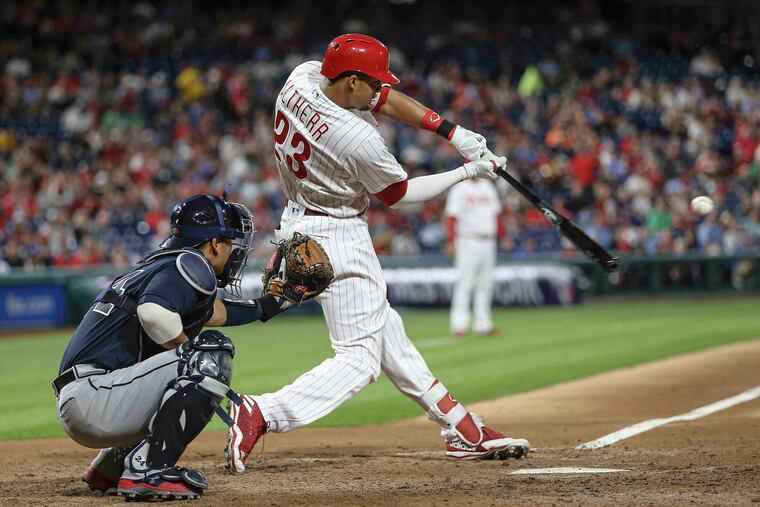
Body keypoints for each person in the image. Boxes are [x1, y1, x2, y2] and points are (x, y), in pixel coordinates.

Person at [226, 33, 530, 474]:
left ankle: (460, 427)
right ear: (351, 81)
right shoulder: (353, 136)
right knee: (359, 359)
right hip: (338, 234)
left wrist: (453, 131)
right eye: (371, 81)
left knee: (386, 331)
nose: (379, 89)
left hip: (299, 220)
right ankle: (262, 411)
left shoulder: (302, 78)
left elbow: (384, 100)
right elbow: (400, 193)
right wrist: (469, 170)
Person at [53, 193, 300, 500]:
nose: (237, 252)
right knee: (209, 354)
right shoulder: (191, 263)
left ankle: (112, 465)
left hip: (89, 395)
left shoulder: (164, 264)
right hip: (96, 398)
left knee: (186, 359)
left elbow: (213, 313)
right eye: (232, 244)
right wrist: (191, 357)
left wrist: (270, 304)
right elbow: (153, 313)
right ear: (214, 244)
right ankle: (147, 470)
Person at [445, 178, 502, 336]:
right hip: (467, 239)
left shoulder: (488, 186)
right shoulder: (459, 188)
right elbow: (451, 217)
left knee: (485, 284)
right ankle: (459, 325)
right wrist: (451, 241)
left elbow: (495, 214)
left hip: (488, 240)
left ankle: (483, 324)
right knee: (465, 283)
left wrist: (503, 235)